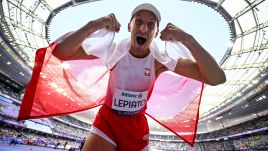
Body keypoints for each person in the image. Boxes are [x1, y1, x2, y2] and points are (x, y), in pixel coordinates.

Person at [52, 3, 226, 151]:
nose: (144, 28)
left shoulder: (160, 61)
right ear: (130, 27)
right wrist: (94, 24)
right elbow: (61, 52)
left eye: (151, 25)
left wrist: (188, 39)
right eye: (139, 22)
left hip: (136, 125)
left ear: (156, 33)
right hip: (108, 119)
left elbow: (217, 78)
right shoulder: (112, 51)